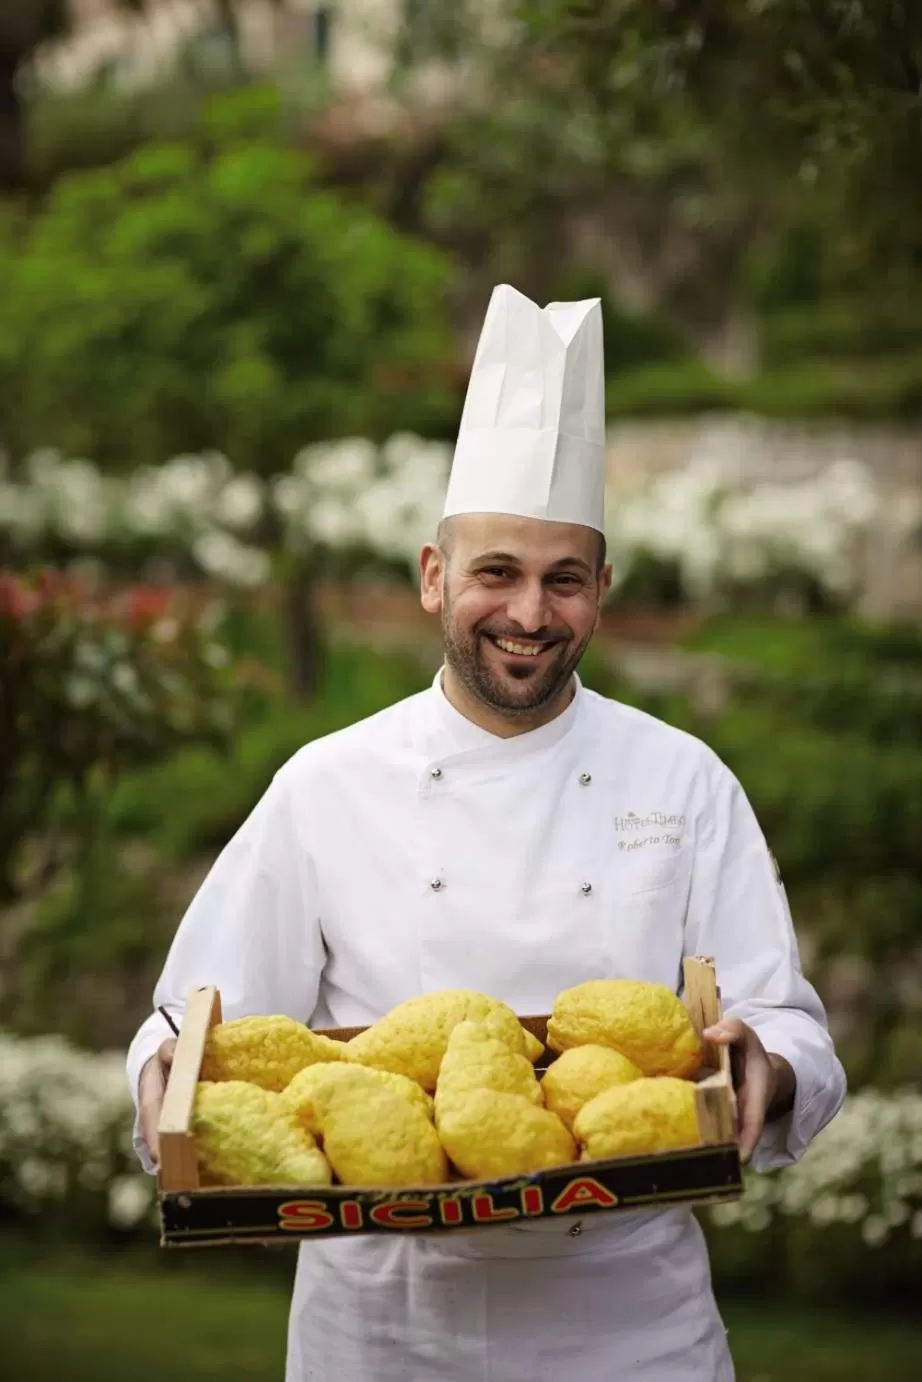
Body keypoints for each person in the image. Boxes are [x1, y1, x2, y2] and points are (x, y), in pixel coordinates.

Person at [127, 285, 846, 1382]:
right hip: (383, 1324)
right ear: (433, 577)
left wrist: (768, 1064)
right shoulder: (328, 784)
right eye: (495, 572)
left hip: (627, 1320)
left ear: (601, 589)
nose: (528, 612)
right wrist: (165, 1078)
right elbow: (191, 1025)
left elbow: (784, 1020)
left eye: (563, 578)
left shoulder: (682, 778)